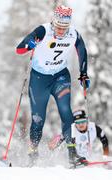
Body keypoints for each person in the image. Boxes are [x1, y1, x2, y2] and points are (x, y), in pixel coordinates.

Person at [16, 5, 90, 165]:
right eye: (58, 26)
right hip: (39, 79)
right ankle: (32, 153)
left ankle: (72, 153)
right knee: (38, 119)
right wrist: (29, 44)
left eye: (65, 27)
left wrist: (84, 74)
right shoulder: (43, 31)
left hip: (60, 77)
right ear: (53, 22)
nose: (61, 31)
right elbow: (19, 49)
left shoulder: (73, 34)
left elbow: (82, 50)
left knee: (66, 112)